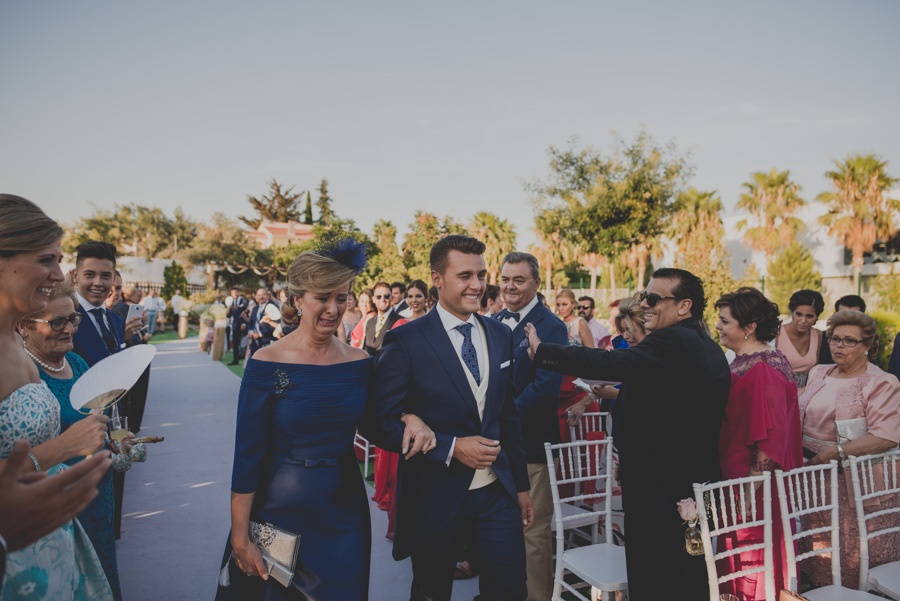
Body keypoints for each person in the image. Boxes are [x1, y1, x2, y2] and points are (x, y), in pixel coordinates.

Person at [215, 242, 434, 601]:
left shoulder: (360, 362)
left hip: (343, 514)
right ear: (297, 299)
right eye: (323, 297)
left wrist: (409, 418)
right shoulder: (266, 362)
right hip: (277, 513)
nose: (334, 309)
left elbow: (375, 424)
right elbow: (247, 456)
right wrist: (240, 537)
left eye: (342, 298)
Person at [525, 267, 731, 600]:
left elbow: (610, 363)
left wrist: (544, 351)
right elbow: (666, 405)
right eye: (644, 296)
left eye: (653, 298)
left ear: (684, 306)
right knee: (687, 574)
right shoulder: (704, 345)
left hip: (660, 487)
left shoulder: (672, 339)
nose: (645, 304)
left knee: (654, 574)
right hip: (688, 482)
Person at [367, 235, 534, 601]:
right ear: (437, 279)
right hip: (434, 495)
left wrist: (520, 487)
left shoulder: (500, 334)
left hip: (496, 493)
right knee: (432, 593)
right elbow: (378, 420)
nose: (477, 285)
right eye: (464, 276)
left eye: (481, 274)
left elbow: (507, 416)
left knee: (509, 590)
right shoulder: (407, 340)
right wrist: (451, 447)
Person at [0, 194, 114, 600]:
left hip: (52, 537)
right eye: (47, 259)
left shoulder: (13, 339)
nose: (59, 273)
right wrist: (62, 449)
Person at [17, 279, 124, 600]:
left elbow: (94, 422)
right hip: (58, 498)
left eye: (73, 318)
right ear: (24, 326)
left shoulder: (77, 363)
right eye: (57, 322)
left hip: (99, 491)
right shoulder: (24, 376)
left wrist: (115, 439)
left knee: (103, 569)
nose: (70, 329)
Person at [713, 287, 803, 600]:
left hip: (752, 483)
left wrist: (750, 489)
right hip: (735, 475)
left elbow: (772, 435)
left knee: (751, 557)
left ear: (749, 327)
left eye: (725, 321)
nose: (718, 327)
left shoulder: (764, 366)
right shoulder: (746, 360)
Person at [801, 310, 900, 589]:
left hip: (856, 479)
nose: (838, 346)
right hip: (815, 474)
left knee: (852, 549)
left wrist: (838, 453)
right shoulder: (819, 372)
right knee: (821, 544)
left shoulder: (880, 382)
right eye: (834, 339)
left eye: (849, 341)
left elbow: (887, 435)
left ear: (868, 345)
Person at [495, 252, 567, 601]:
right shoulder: (493, 320)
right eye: (505, 278)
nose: (510, 286)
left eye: (518, 279)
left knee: (532, 531)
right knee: (498, 529)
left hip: (530, 444)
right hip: (492, 447)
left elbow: (544, 389)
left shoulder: (552, 327)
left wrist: (498, 421)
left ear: (536, 283)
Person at [71, 242, 140, 367]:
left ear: (113, 279)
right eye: (90, 275)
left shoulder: (117, 321)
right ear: (75, 276)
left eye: (105, 276)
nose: (98, 282)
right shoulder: (65, 318)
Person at [776, 289, 825, 388]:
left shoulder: (818, 335)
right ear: (792, 312)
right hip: (777, 392)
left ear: (817, 317)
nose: (803, 320)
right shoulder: (777, 333)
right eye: (799, 314)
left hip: (805, 394)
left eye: (809, 316)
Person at [363, 282, 407, 362]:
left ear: (391, 298)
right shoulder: (370, 322)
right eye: (379, 296)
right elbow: (365, 349)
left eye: (386, 296)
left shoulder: (401, 322)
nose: (382, 299)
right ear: (373, 299)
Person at [246, 288, 278, 358]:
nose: (261, 297)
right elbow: (251, 323)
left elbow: (276, 324)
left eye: (263, 295)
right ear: (256, 297)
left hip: (267, 341)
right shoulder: (255, 309)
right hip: (255, 341)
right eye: (259, 295)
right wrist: (250, 331)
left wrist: (260, 333)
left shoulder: (272, 307)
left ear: (268, 296)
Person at [227, 288, 248, 365]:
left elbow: (248, 312)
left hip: (243, 325)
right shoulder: (231, 302)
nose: (235, 294)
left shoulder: (244, 301)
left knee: (245, 342)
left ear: (238, 292)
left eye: (236, 292)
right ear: (231, 294)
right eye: (233, 293)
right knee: (235, 342)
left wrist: (245, 323)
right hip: (235, 325)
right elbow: (229, 315)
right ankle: (235, 360)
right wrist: (228, 310)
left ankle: (244, 358)